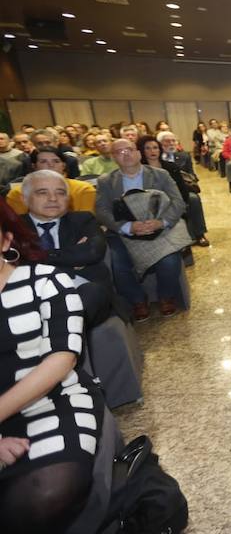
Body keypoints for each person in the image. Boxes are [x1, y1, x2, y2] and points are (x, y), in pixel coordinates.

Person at [0, 197, 106, 534]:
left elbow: (61, 359)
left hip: (51, 399)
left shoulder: (46, 282)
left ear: (6, 240)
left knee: (44, 493)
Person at [95, 139, 189, 321]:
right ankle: (138, 300)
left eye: (129, 150)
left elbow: (178, 202)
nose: (126, 154)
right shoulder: (106, 181)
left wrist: (161, 222)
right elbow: (102, 211)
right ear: (114, 157)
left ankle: (166, 297)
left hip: (159, 229)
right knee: (117, 263)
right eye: (120, 152)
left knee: (170, 261)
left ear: (138, 153)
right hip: (124, 233)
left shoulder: (160, 175)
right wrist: (127, 227)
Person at [17, 169, 113, 327]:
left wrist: (34, 255)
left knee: (91, 294)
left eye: (60, 193)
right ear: (25, 199)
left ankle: (61, 336)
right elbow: (12, 263)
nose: (53, 198)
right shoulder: (13, 228)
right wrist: (71, 258)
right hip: (32, 291)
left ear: (68, 198)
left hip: (80, 287)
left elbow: (92, 252)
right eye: (42, 192)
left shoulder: (83, 219)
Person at [138, 136, 209, 247]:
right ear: (142, 151)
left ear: (160, 149)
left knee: (193, 199)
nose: (152, 151)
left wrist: (177, 201)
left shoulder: (170, 167)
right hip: (153, 201)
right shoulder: (139, 170)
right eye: (148, 148)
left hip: (175, 197)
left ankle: (199, 234)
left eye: (155, 148)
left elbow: (181, 189)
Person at [5, 147, 96, 215]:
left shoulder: (83, 189)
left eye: (56, 161)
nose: (51, 165)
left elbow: (87, 222)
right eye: (43, 162)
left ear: (63, 165)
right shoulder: (18, 193)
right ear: (34, 166)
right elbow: (18, 225)